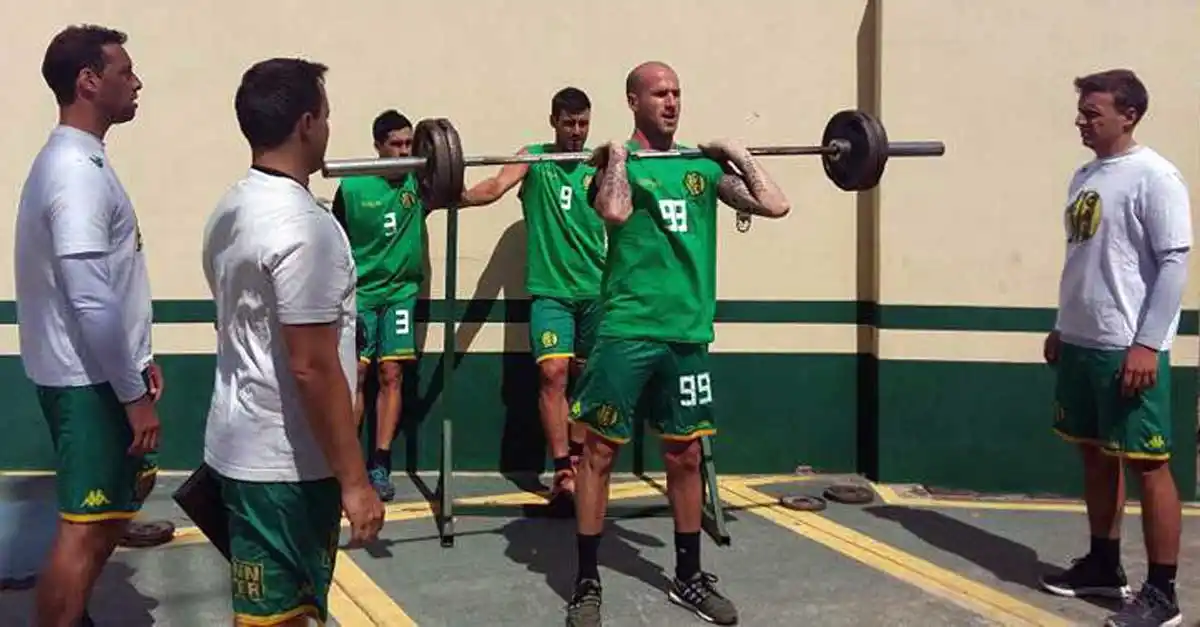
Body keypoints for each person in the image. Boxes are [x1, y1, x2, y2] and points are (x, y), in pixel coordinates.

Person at [566, 61, 791, 627]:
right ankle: (587, 579)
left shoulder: (700, 168)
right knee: (598, 453)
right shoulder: (617, 168)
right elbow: (613, 210)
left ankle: (689, 577)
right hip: (626, 329)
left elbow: (774, 203)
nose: (671, 102)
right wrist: (616, 158)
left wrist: (735, 154)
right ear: (633, 101)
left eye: (677, 93)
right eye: (659, 94)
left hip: (686, 333)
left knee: (686, 454)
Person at [201, 57, 384, 627]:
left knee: (277, 617)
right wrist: (356, 483)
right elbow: (311, 366)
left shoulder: (231, 206)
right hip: (283, 470)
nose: (329, 128)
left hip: (238, 448)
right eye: (326, 116)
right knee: (280, 620)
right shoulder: (304, 228)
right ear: (306, 123)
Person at [14, 24, 162, 627]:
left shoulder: (84, 162)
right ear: (88, 81)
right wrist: (131, 396)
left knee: (106, 517)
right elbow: (90, 300)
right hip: (88, 382)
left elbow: (108, 293)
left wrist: (138, 363)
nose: (136, 82)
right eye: (125, 72)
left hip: (99, 373)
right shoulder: (75, 172)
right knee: (82, 530)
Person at [1039, 69, 1190, 627]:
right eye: (1081, 110)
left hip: (1129, 346)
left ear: (1128, 115)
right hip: (1081, 340)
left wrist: (1148, 344)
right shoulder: (1084, 175)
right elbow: (1084, 257)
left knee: (1149, 463)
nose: (1081, 120)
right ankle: (1103, 564)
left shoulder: (1156, 176)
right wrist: (1063, 324)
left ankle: (1162, 594)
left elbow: (1174, 262)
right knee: (1093, 453)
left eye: (1092, 111)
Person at [459, 87, 606, 501]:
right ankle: (562, 470)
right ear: (553, 121)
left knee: (588, 379)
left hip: (596, 290)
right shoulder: (534, 158)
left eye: (583, 123)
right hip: (551, 292)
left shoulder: (600, 164)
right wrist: (456, 196)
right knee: (552, 373)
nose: (577, 131)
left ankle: (578, 460)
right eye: (569, 123)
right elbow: (495, 185)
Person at [331, 110, 427, 501]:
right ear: (378, 146)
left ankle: (381, 463)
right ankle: (347, 464)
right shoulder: (352, 189)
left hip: (401, 293)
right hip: (361, 295)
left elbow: (464, 193)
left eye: (409, 144)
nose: (405, 152)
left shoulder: (418, 183)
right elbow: (332, 243)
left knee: (392, 374)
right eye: (397, 145)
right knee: (356, 376)